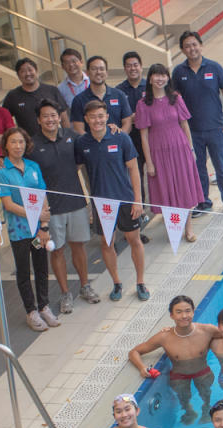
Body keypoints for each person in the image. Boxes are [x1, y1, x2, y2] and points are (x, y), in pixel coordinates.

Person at [28, 99, 100, 313]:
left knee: (79, 247)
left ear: (59, 117)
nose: (50, 119)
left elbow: (93, 143)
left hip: (76, 202)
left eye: (53, 115)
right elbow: (19, 162)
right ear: (39, 120)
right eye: (45, 116)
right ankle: (65, 292)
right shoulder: (32, 145)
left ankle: (85, 286)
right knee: (57, 250)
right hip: (51, 209)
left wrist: (112, 129)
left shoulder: (71, 137)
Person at [75, 99, 148, 302]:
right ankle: (116, 283)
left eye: (101, 116)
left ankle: (140, 282)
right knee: (107, 244)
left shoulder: (121, 138)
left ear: (107, 117)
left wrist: (138, 200)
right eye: (93, 117)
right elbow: (75, 170)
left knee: (134, 240)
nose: (97, 120)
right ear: (86, 119)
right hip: (102, 204)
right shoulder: (82, 143)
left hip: (125, 200)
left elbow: (134, 169)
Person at [0, 127, 58, 332]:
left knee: (41, 268)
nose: (18, 146)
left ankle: (44, 306)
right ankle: (31, 311)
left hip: (38, 229)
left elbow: (43, 196)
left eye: (21, 142)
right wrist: (36, 215)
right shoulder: (0, 171)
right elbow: (8, 205)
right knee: (23, 272)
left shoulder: (33, 166)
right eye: (13, 142)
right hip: (18, 231)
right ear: (6, 145)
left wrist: (44, 225)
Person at [172, 30, 223, 214]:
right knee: (198, 167)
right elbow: (174, 98)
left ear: (200, 45)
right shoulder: (179, 72)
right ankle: (203, 202)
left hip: (215, 127)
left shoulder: (214, 67)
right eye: (187, 46)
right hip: (192, 131)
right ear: (182, 50)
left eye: (194, 44)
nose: (192, 48)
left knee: (221, 167)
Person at [136, 62, 204, 242]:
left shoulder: (175, 98)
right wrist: (149, 162)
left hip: (179, 149)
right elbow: (143, 136)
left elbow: (185, 124)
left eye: (163, 75)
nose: (160, 79)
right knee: (165, 189)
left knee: (184, 187)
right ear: (150, 78)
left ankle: (188, 228)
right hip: (158, 152)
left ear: (168, 78)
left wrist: (190, 149)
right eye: (156, 75)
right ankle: (174, 228)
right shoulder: (143, 104)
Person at [129, 296, 223, 423]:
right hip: (180, 375)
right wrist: (141, 367)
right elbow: (134, 352)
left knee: (205, 393)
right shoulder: (164, 337)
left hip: (202, 372)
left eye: (187, 311)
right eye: (179, 312)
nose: (184, 315)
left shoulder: (207, 330)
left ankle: (206, 407)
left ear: (193, 311)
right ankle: (189, 410)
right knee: (183, 397)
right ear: (171, 315)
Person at [116, 50, 151, 246]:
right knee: (136, 186)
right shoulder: (120, 91)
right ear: (124, 68)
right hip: (131, 144)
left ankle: (171, 216)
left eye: (135, 64)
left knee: (156, 179)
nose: (132, 68)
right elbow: (122, 118)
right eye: (128, 65)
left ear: (141, 66)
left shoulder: (151, 86)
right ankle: (137, 226)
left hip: (152, 141)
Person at [2, 58, 68, 137]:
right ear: (18, 75)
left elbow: (64, 117)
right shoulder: (12, 96)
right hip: (28, 143)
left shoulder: (52, 90)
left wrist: (67, 137)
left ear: (37, 71)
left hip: (54, 140)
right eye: (23, 71)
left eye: (30, 70)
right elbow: (3, 119)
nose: (27, 74)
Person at [70, 56, 132, 135]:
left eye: (102, 69)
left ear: (106, 73)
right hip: (92, 146)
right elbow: (78, 129)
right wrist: (97, 143)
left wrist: (118, 139)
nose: (98, 72)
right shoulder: (78, 100)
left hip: (117, 145)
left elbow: (127, 123)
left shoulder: (119, 95)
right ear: (87, 73)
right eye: (94, 69)